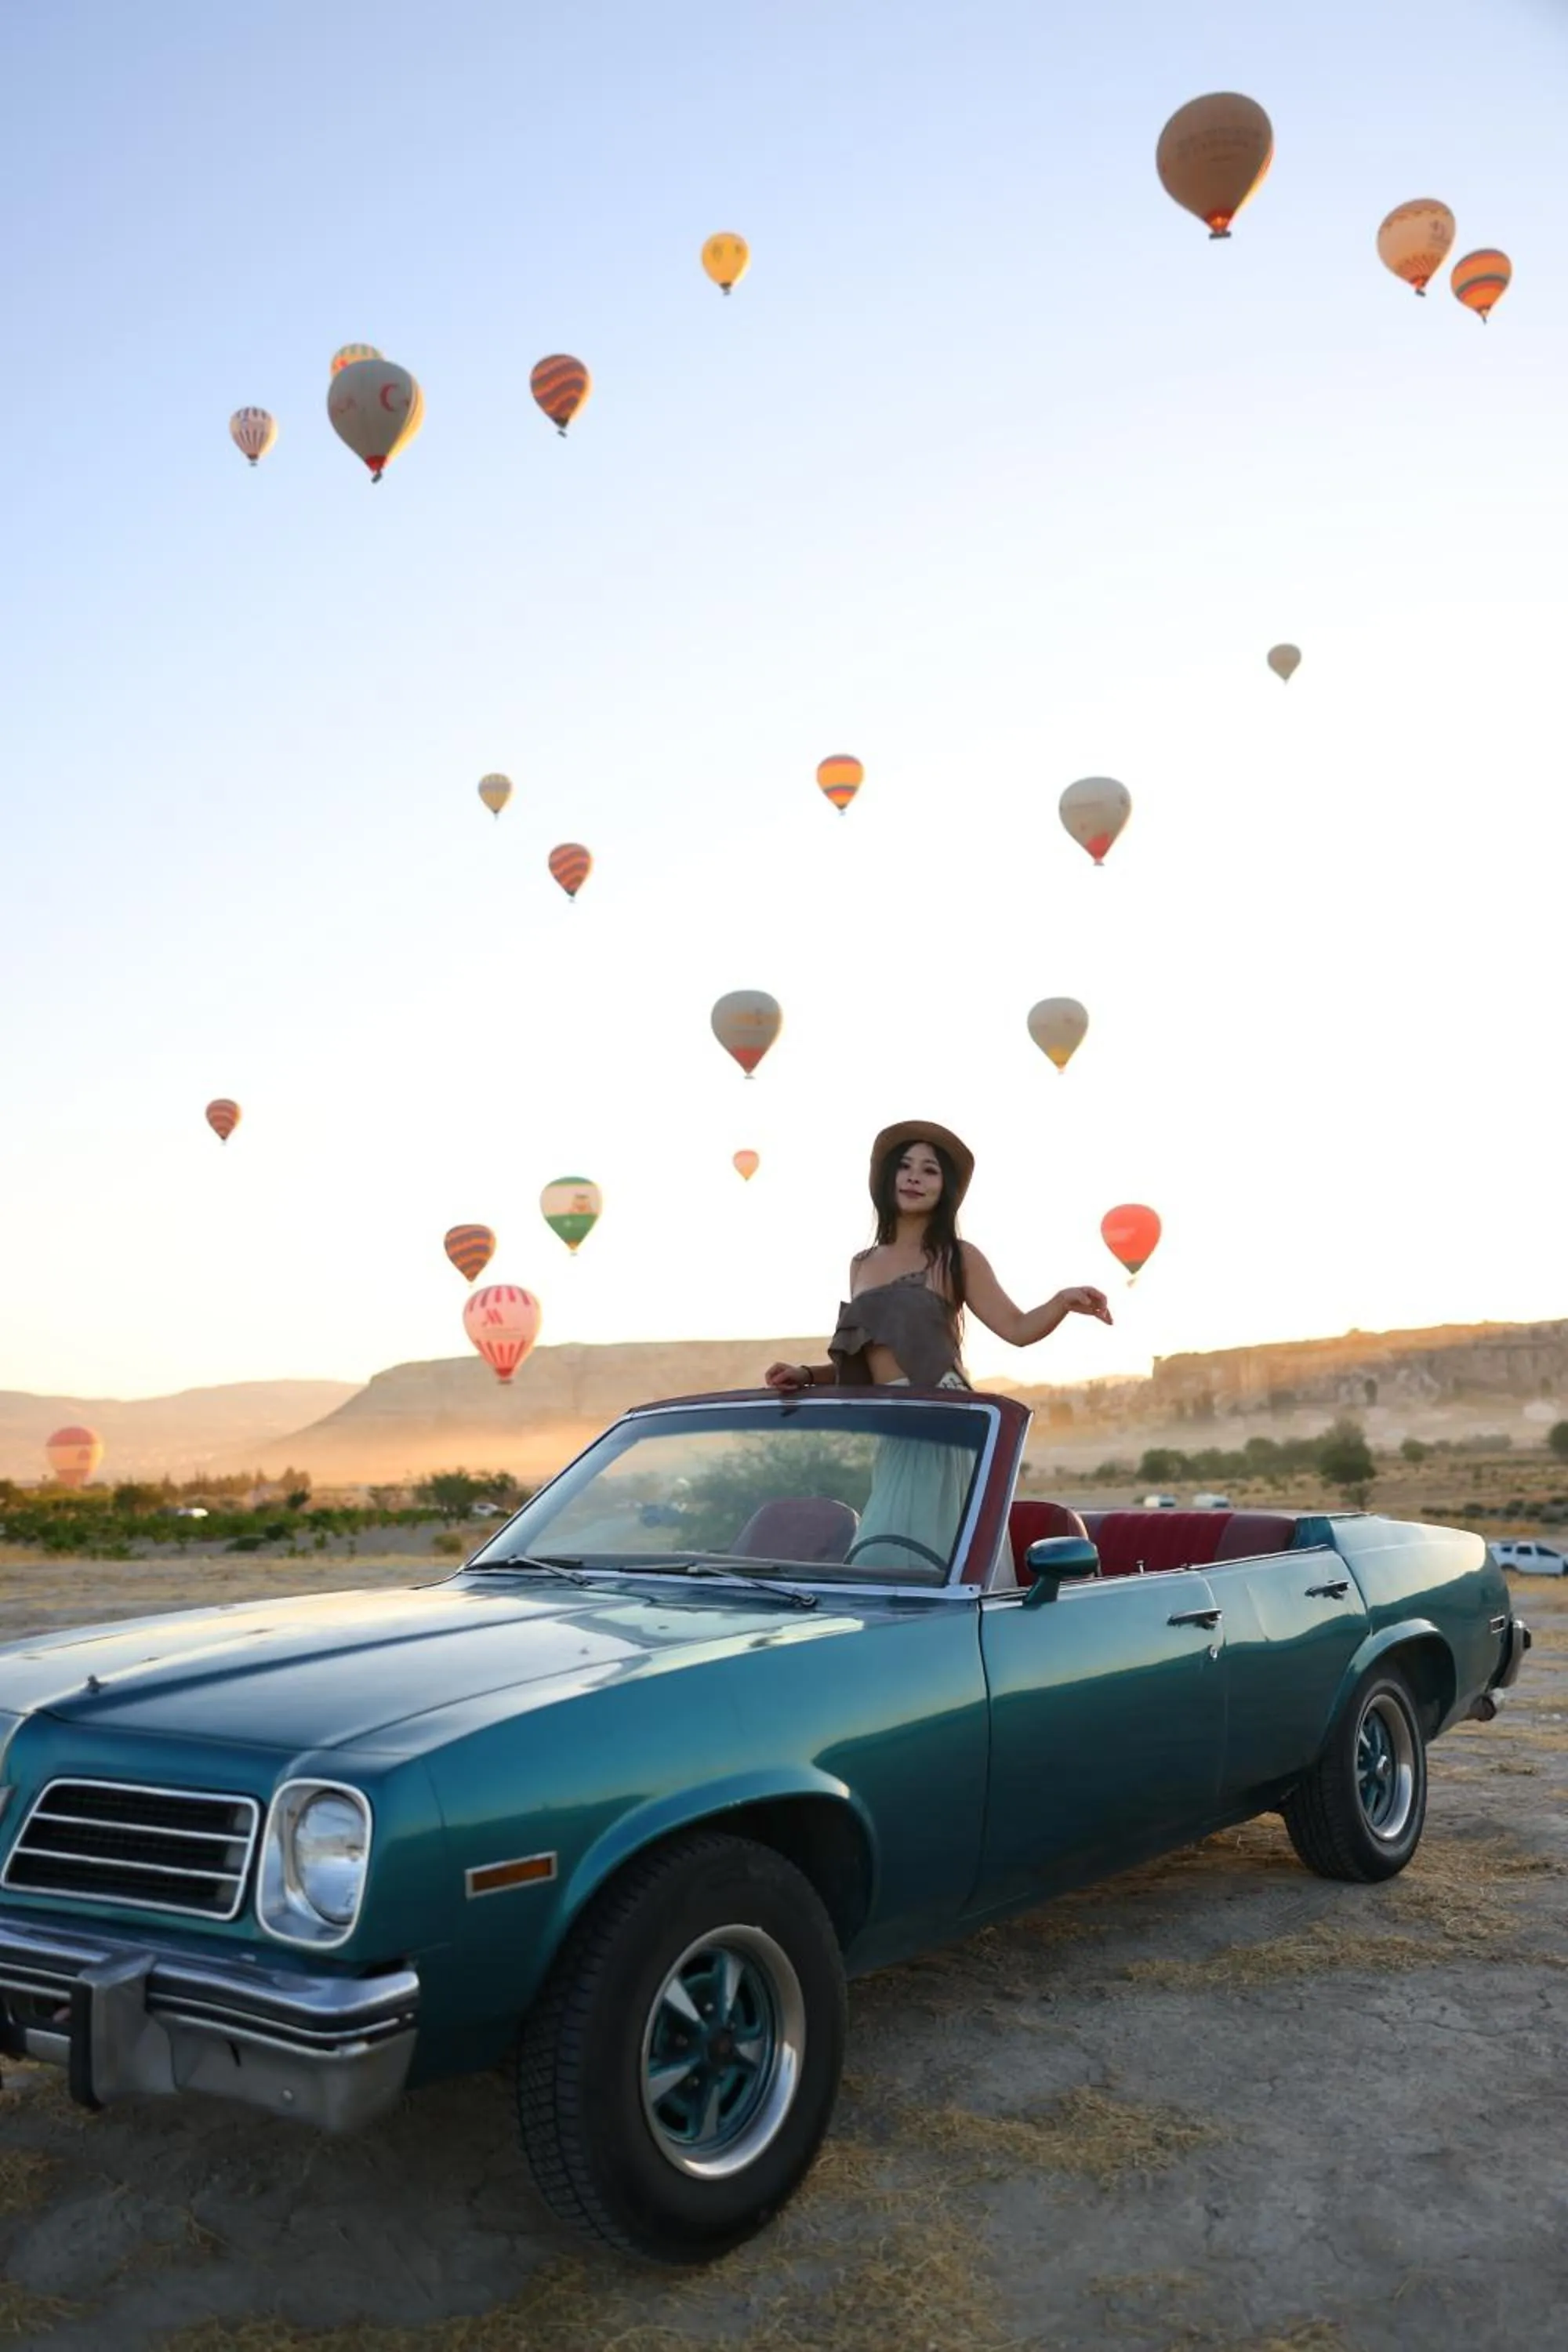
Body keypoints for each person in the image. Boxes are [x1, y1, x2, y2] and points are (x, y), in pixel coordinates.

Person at [763, 1122, 1113, 1570]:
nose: (914, 1177)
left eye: (930, 1171)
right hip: (893, 1427)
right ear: (886, 1177)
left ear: (945, 1189)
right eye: (905, 1166)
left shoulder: (957, 1256)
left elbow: (1017, 1328)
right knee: (887, 1550)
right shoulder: (862, 1263)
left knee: (924, 1554)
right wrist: (808, 1375)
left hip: (942, 1419)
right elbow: (869, 1359)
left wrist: (1062, 1302)